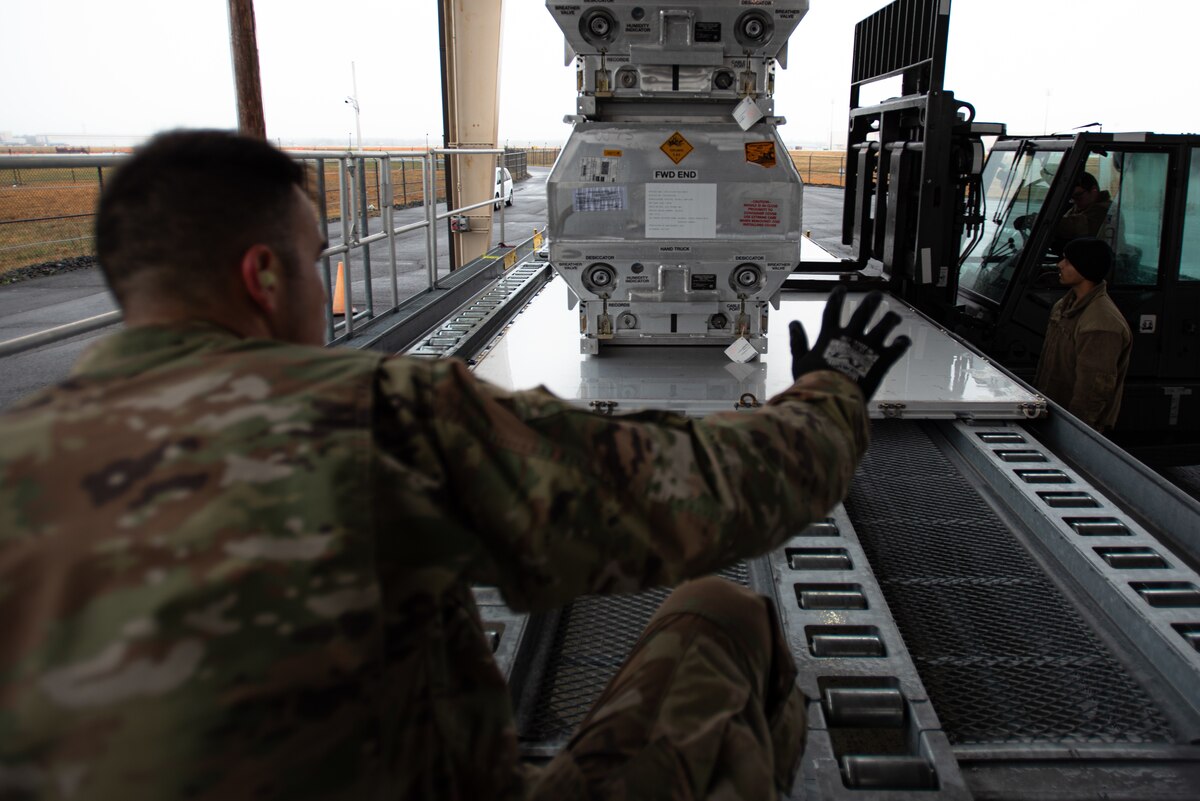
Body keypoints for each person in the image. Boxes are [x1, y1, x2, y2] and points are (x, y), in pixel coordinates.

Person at [0, 130, 910, 801]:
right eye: (318, 261)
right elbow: (702, 492)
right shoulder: (379, 415)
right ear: (263, 276)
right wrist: (832, 392)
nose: (324, 284)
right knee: (723, 614)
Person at [1035, 236, 1132, 431]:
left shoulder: (1101, 323)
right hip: (1052, 414)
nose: (1060, 264)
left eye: (1068, 261)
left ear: (1085, 268)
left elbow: (1093, 391)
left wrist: (1076, 432)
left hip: (1072, 426)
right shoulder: (1063, 306)